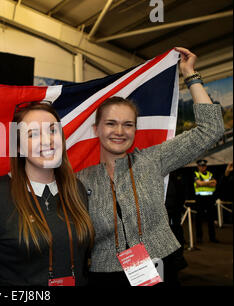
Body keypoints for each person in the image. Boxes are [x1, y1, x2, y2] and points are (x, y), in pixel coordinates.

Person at [76, 47, 225, 286]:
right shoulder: (80, 179)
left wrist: (190, 75)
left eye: (128, 124)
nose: (119, 132)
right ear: (96, 129)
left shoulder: (153, 159)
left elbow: (211, 130)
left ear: (135, 130)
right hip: (103, 274)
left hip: (161, 264)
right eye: (111, 123)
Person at [0, 101, 94, 286]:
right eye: (33, 134)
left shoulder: (76, 189)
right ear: (18, 147)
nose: (47, 141)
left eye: (52, 131)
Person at [193, 159, 218, 243]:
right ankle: (199, 238)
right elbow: (199, 183)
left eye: (203, 166)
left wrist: (203, 183)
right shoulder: (196, 174)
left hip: (210, 199)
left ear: (206, 166)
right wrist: (208, 183)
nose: (202, 167)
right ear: (198, 166)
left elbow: (214, 183)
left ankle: (212, 238)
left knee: (211, 219)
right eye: (200, 166)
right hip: (200, 199)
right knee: (199, 219)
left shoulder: (210, 174)